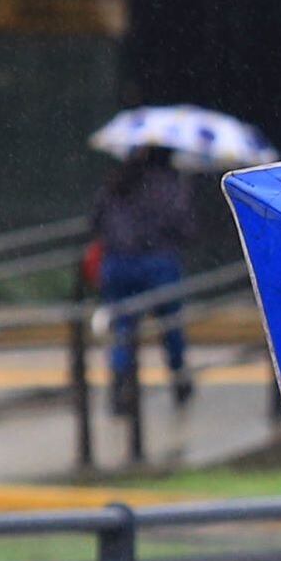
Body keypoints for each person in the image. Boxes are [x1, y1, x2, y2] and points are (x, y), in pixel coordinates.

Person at [91, 145, 197, 409]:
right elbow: (185, 228)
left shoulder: (115, 183)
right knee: (170, 325)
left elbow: (96, 222)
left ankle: (121, 382)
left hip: (118, 263)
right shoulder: (169, 185)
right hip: (158, 263)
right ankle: (179, 377)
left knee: (122, 325)